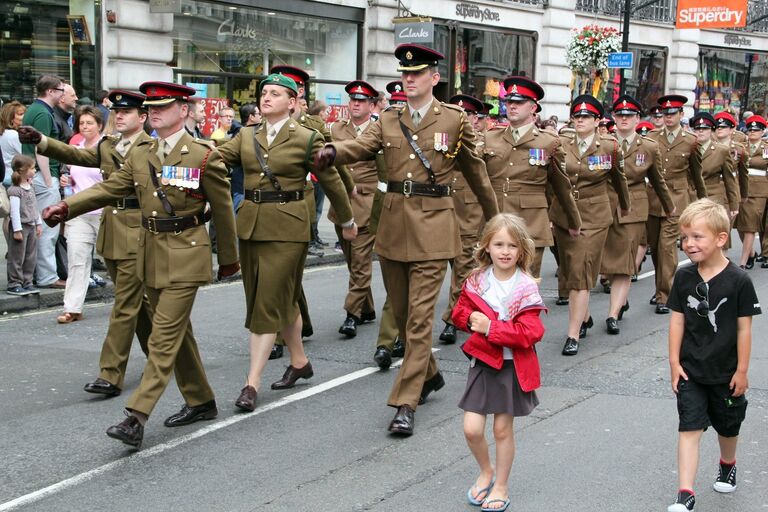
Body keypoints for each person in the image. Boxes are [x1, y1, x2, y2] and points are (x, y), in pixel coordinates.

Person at [39, 81, 240, 449]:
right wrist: (67, 207)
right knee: (179, 336)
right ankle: (201, 401)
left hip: (185, 253)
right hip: (148, 251)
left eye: (163, 106)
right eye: (151, 108)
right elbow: (111, 188)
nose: (155, 112)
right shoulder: (141, 151)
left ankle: (137, 416)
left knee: (162, 337)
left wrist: (228, 260)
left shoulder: (203, 155)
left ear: (184, 110)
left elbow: (224, 213)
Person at [315, 44, 499, 435]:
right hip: (394, 226)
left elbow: (476, 172)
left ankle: (405, 402)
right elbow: (362, 147)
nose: (409, 79)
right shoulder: (389, 118)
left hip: (434, 228)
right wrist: (334, 151)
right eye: (405, 73)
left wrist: (496, 221)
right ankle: (429, 375)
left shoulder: (454, 120)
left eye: (417, 73)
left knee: (418, 322)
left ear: (434, 78)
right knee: (400, 315)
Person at [216, 73, 355, 412]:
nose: (266, 98)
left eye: (275, 94)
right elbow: (218, 158)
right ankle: (299, 361)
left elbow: (331, 178)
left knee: (266, 302)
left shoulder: (306, 138)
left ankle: (252, 382)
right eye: (264, 93)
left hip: (290, 227)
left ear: (292, 102)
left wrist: (347, 219)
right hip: (251, 224)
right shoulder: (246, 136)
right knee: (283, 298)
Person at [21, 90, 154, 396]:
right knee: (139, 305)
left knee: (124, 305)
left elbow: (113, 188)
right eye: (116, 112)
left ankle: (110, 374)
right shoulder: (109, 145)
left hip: (139, 231)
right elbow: (78, 155)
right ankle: (164, 356)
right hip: (111, 231)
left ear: (142, 117)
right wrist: (42, 140)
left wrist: (67, 207)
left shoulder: (151, 148)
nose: (119, 116)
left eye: (127, 112)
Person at [666, 198, 760, 512]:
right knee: (689, 427)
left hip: (726, 371)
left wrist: (742, 371)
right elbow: (677, 319)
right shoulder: (683, 277)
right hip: (691, 370)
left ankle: (727, 463)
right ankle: (685, 492)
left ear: (721, 239)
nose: (688, 244)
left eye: (697, 237)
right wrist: (675, 362)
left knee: (728, 426)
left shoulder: (739, 281)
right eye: (685, 237)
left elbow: (744, 329)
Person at [451, 213, 545, 512]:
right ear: (486, 247)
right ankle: (486, 470)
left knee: (502, 431)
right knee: (471, 428)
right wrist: (469, 320)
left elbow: (531, 332)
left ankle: (501, 486)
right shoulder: (477, 281)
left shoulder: (526, 287)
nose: (505, 251)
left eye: (512, 246)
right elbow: (458, 313)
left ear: (522, 251)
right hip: (482, 363)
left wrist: (491, 328)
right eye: (499, 244)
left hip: (511, 367)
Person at [553, 95, 630, 356]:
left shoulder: (609, 146)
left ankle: (573, 334)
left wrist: (624, 206)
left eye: (586, 117)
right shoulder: (561, 143)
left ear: (597, 121)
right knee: (568, 268)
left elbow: (619, 181)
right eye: (577, 117)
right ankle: (584, 317)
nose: (580, 121)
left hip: (594, 217)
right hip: (564, 215)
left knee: (582, 271)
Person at [482, 76, 580, 280]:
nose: (512, 106)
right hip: (495, 219)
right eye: (509, 101)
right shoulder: (490, 137)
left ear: (533, 107)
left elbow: (561, 187)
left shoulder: (548, 142)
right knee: (491, 286)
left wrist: (573, 220)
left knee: (526, 285)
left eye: (519, 102)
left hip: (530, 223)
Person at [601, 95, 674, 335]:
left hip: (633, 207)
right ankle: (619, 299)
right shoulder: (602, 142)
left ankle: (613, 314)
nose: (624, 119)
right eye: (620, 115)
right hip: (605, 205)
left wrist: (670, 207)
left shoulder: (649, 147)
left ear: (637, 119)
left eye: (629, 116)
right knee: (607, 262)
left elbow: (657, 180)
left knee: (624, 262)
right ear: (613, 118)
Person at [646, 95, 706, 315]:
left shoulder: (691, 142)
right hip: (653, 199)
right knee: (655, 247)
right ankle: (660, 287)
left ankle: (665, 295)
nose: (668, 117)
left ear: (681, 115)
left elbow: (697, 175)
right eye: (665, 113)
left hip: (678, 201)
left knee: (666, 247)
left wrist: (703, 202)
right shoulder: (652, 138)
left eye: (672, 113)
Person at [437, 94, 489, 345]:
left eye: (466, 115)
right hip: (440, 209)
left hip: (468, 213)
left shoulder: (480, 142)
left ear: (474, 119)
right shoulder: (440, 138)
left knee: (461, 269)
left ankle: (451, 320)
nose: (461, 119)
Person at [330, 80, 380, 338]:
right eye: (353, 100)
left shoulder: (378, 131)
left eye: (361, 101)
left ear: (372, 105)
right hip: (341, 205)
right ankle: (367, 308)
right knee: (352, 260)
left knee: (360, 260)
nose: (356, 104)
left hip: (366, 203)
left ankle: (352, 314)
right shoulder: (337, 129)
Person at [54, 106, 105, 324]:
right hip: (80, 213)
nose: (84, 127)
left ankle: (132, 304)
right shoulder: (75, 148)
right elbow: (70, 175)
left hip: (105, 213)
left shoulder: (108, 148)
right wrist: (67, 180)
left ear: (99, 125)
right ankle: (72, 308)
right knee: (77, 260)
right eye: (81, 123)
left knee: (117, 261)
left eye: (89, 123)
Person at [21, 75, 67, 289]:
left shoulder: (34, 110)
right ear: (50, 91)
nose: (62, 94)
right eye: (60, 90)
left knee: (39, 227)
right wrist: (50, 180)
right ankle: (48, 276)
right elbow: (42, 149)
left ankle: (40, 274)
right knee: (47, 229)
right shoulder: (42, 113)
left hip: (35, 174)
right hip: (43, 175)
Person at [692, 113, 739, 225]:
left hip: (713, 198)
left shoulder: (721, 151)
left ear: (712, 130)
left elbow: (729, 180)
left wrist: (733, 205)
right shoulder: (688, 148)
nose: (701, 131)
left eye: (705, 128)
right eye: (698, 128)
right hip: (691, 196)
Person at [6, 154, 42, 295]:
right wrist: (17, 230)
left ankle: (27, 282)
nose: (34, 170)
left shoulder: (30, 186)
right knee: (17, 257)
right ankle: (14, 283)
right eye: (32, 168)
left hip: (31, 225)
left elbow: (34, 207)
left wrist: (38, 223)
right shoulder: (15, 190)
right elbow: (14, 212)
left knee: (30, 256)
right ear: (22, 170)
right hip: (21, 227)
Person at [735, 115, 768, 268]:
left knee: (750, 226)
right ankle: (752, 253)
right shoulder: (740, 146)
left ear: (762, 132)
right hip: (740, 189)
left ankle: (742, 262)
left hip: (759, 191)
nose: (753, 132)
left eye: (756, 130)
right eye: (750, 130)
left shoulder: (766, 147)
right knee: (740, 226)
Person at [1, 101, 26, 182]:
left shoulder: (3, 133)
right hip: (13, 177)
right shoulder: (14, 135)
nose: (24, 116)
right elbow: (25, 155)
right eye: (20, 114)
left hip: (4, 175)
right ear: (11, 118)